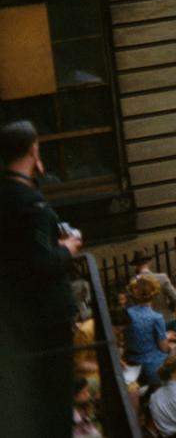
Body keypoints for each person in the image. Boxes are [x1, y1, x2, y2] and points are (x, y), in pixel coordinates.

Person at [1, 119, 82, 438]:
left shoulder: (9, 193)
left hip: (20, 317)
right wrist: (68, 248)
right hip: (48, 317)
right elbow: (40, 264)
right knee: (55, 396)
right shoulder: (27, 202)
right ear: (33, 149)